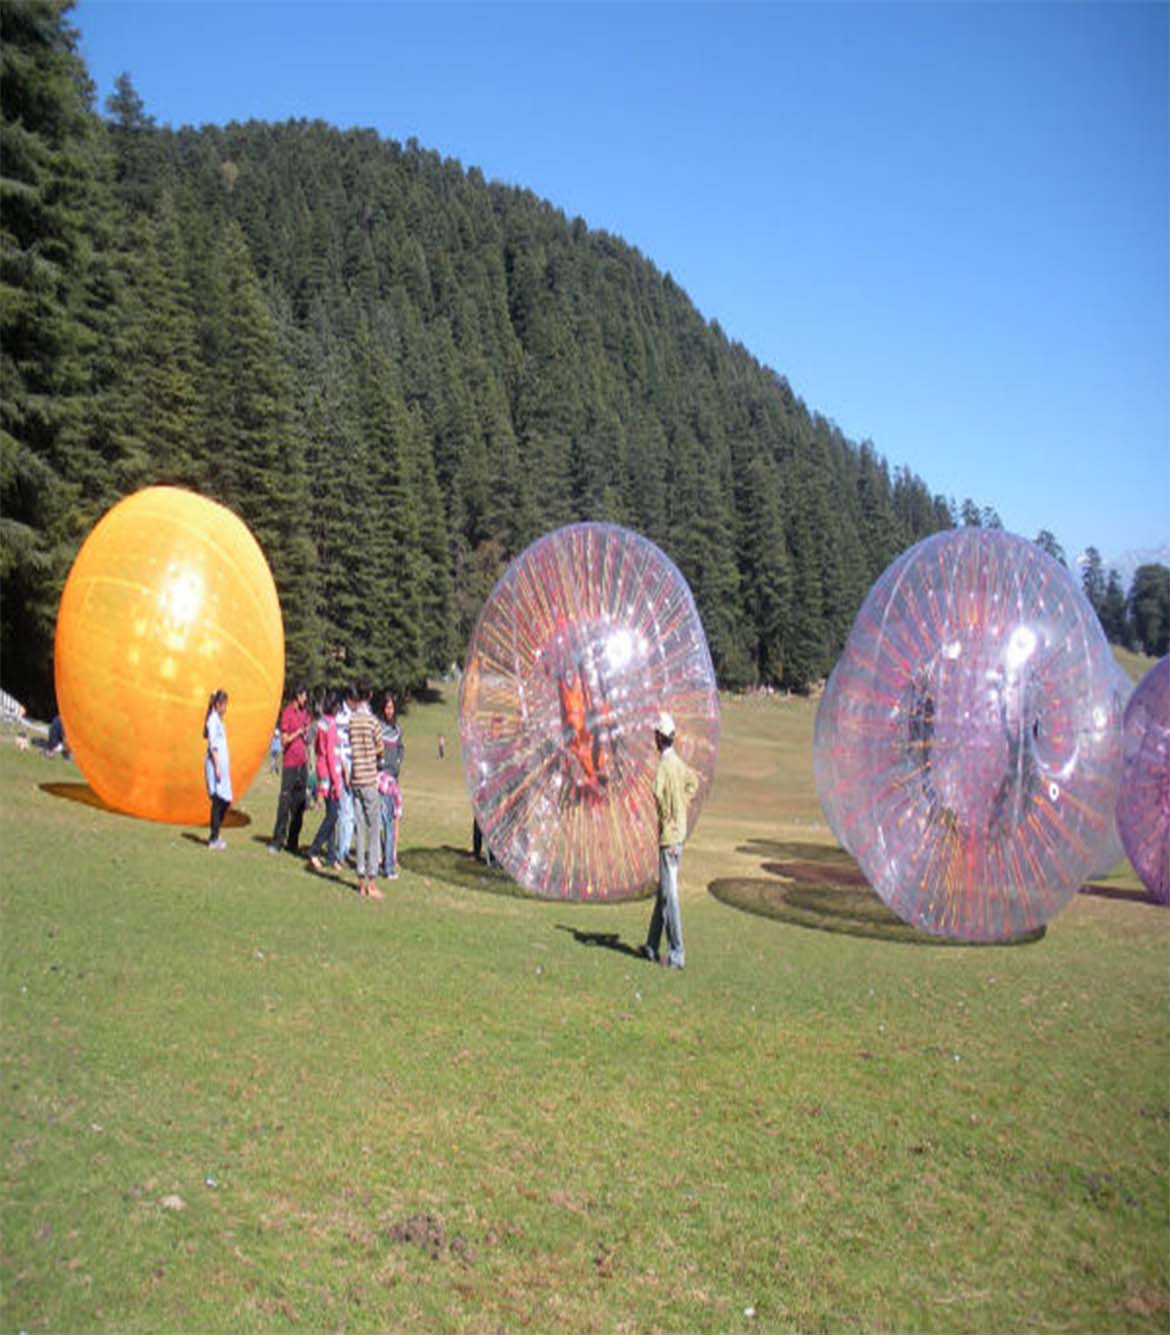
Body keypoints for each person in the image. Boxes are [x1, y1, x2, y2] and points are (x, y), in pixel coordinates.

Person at [641, 711, 699, 971]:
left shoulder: (665, 765)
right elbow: (693, 783)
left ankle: (677, 953)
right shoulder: (677, 763)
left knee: (670, 895)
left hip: (670, 838)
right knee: (663, 892)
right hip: (680, 834)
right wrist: (682, 807)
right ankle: (652, 946)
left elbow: (656, 792)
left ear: (659, 737)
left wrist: (667, 815)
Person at [347, 680, 384, 899]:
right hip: (369, 779)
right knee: (373, 830)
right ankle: (372, 880)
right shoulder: (372, 722)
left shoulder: (352, 720)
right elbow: (380, 748)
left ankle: (360, 881)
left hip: (355, 779)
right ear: (369, 695)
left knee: (359, 831)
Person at [268, 682, 311, 855]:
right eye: (304, 696)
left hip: (302, 764)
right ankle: (277, 840)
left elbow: (306, 736)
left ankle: (293, 842)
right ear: (298, 696)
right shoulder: (287, 713)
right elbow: (284, 739)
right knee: (285, 803)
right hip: (290, 765)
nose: (306, 699)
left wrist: (305, 734)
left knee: (299, 805)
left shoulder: (305, 713)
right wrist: (297, 733)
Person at [306, 689, 343, 871]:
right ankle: (314, 850)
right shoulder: (331, 724)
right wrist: (337, 781)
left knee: (331, 813)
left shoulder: (321, 723)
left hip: (324, 771)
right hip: (329, 773)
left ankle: (331, 855)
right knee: (333, 814)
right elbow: (329, 754)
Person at [378, 691, 404, 880]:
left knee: (396, 817)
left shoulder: (397, 729)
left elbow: (401, 747)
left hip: (394, 779)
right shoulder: (378, 727)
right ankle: (385, 862)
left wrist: (399, 761)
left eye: (391, 707)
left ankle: (391, 855)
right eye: (387, 707)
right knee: (384, 820)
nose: (389, 710)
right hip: (382, 778)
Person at [203, 689, 232, 851]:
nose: (226, 708)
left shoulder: (219, 721)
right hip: (215, 768)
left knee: (225, 800)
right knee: (218, 801)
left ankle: (216, 833)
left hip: (222, 768)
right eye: (224, 705)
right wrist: (217, 767)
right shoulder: (212, 721)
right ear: (218, 704)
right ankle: (213, 839)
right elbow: (212, 745)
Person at [334, 686, 355, 869]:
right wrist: (345, 771)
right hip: (344, 767)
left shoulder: (355, 714)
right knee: (345, 812)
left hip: (355, 766)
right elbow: (339, 746)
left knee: (352, 813)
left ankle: (345, 850)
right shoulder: (341, 716)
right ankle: (342, 852)